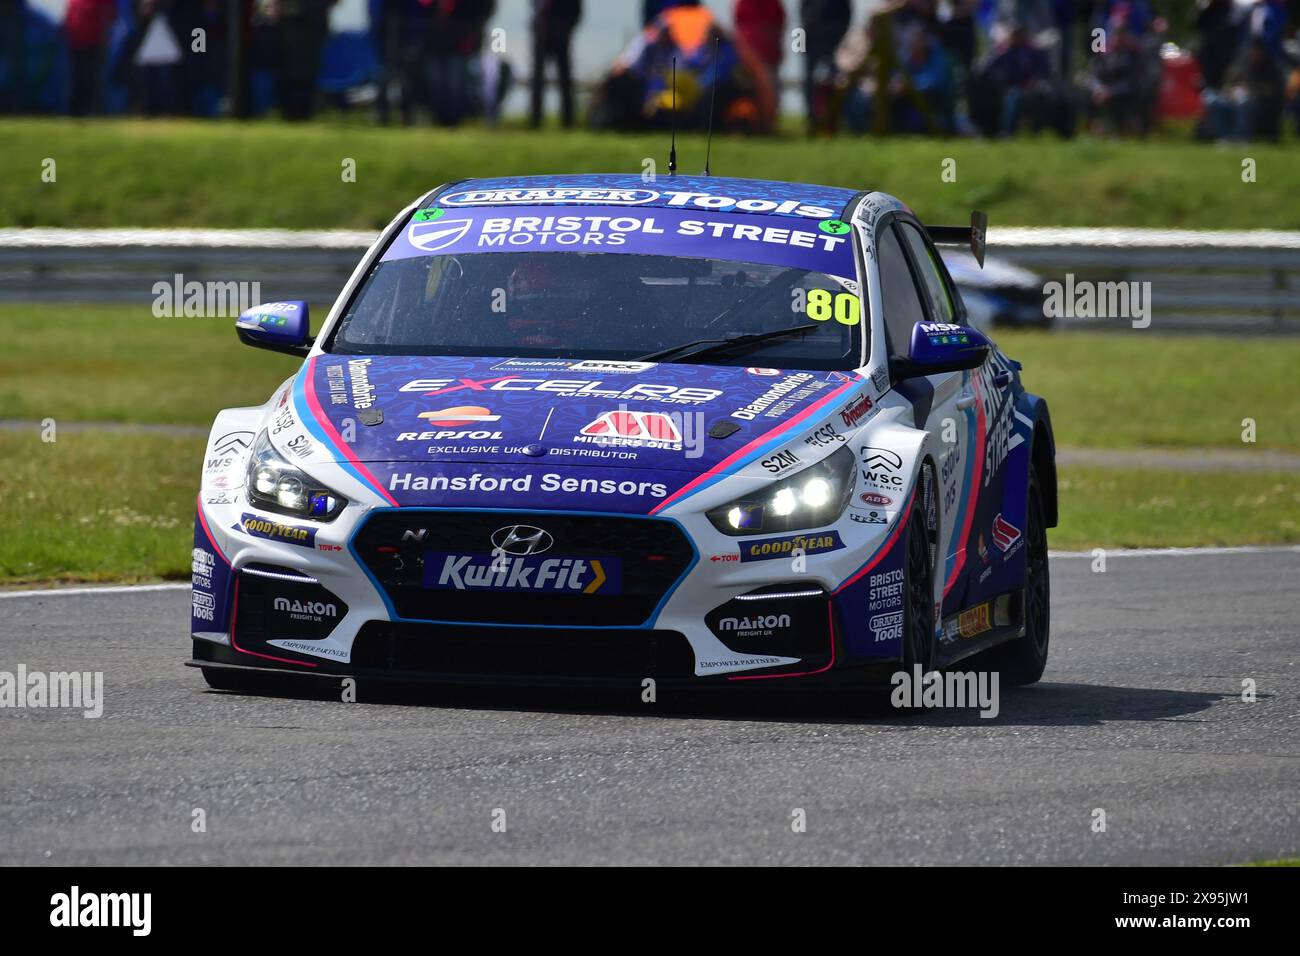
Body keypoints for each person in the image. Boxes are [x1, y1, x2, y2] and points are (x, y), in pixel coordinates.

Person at [799, 0, 852, 134]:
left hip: (833, 43)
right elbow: (803, 17)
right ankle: (813, 121)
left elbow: (846, 16)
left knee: (835, 83)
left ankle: (832, 122)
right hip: (812, 43)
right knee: (810, 84)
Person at [530, 0, 581, 128]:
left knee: (565, 79)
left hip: (561, 30)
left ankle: (568, 120)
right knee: (538, 80)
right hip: (542, 30)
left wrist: (567, 27)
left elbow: (577, 9)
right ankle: (535, 120)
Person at [64, 0, 117, 116]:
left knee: (93, 79)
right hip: (76, 42)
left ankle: (94, 110)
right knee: (77, 78)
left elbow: (112, 15)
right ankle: (76, 111)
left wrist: (105, 35)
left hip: (96, 43)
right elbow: (68, 16)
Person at [733, 0, 784, 96]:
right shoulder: (744, 3)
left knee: (770, 87)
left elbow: (780, 23)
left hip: (768, 54)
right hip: (750, 55)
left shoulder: (773, 3)